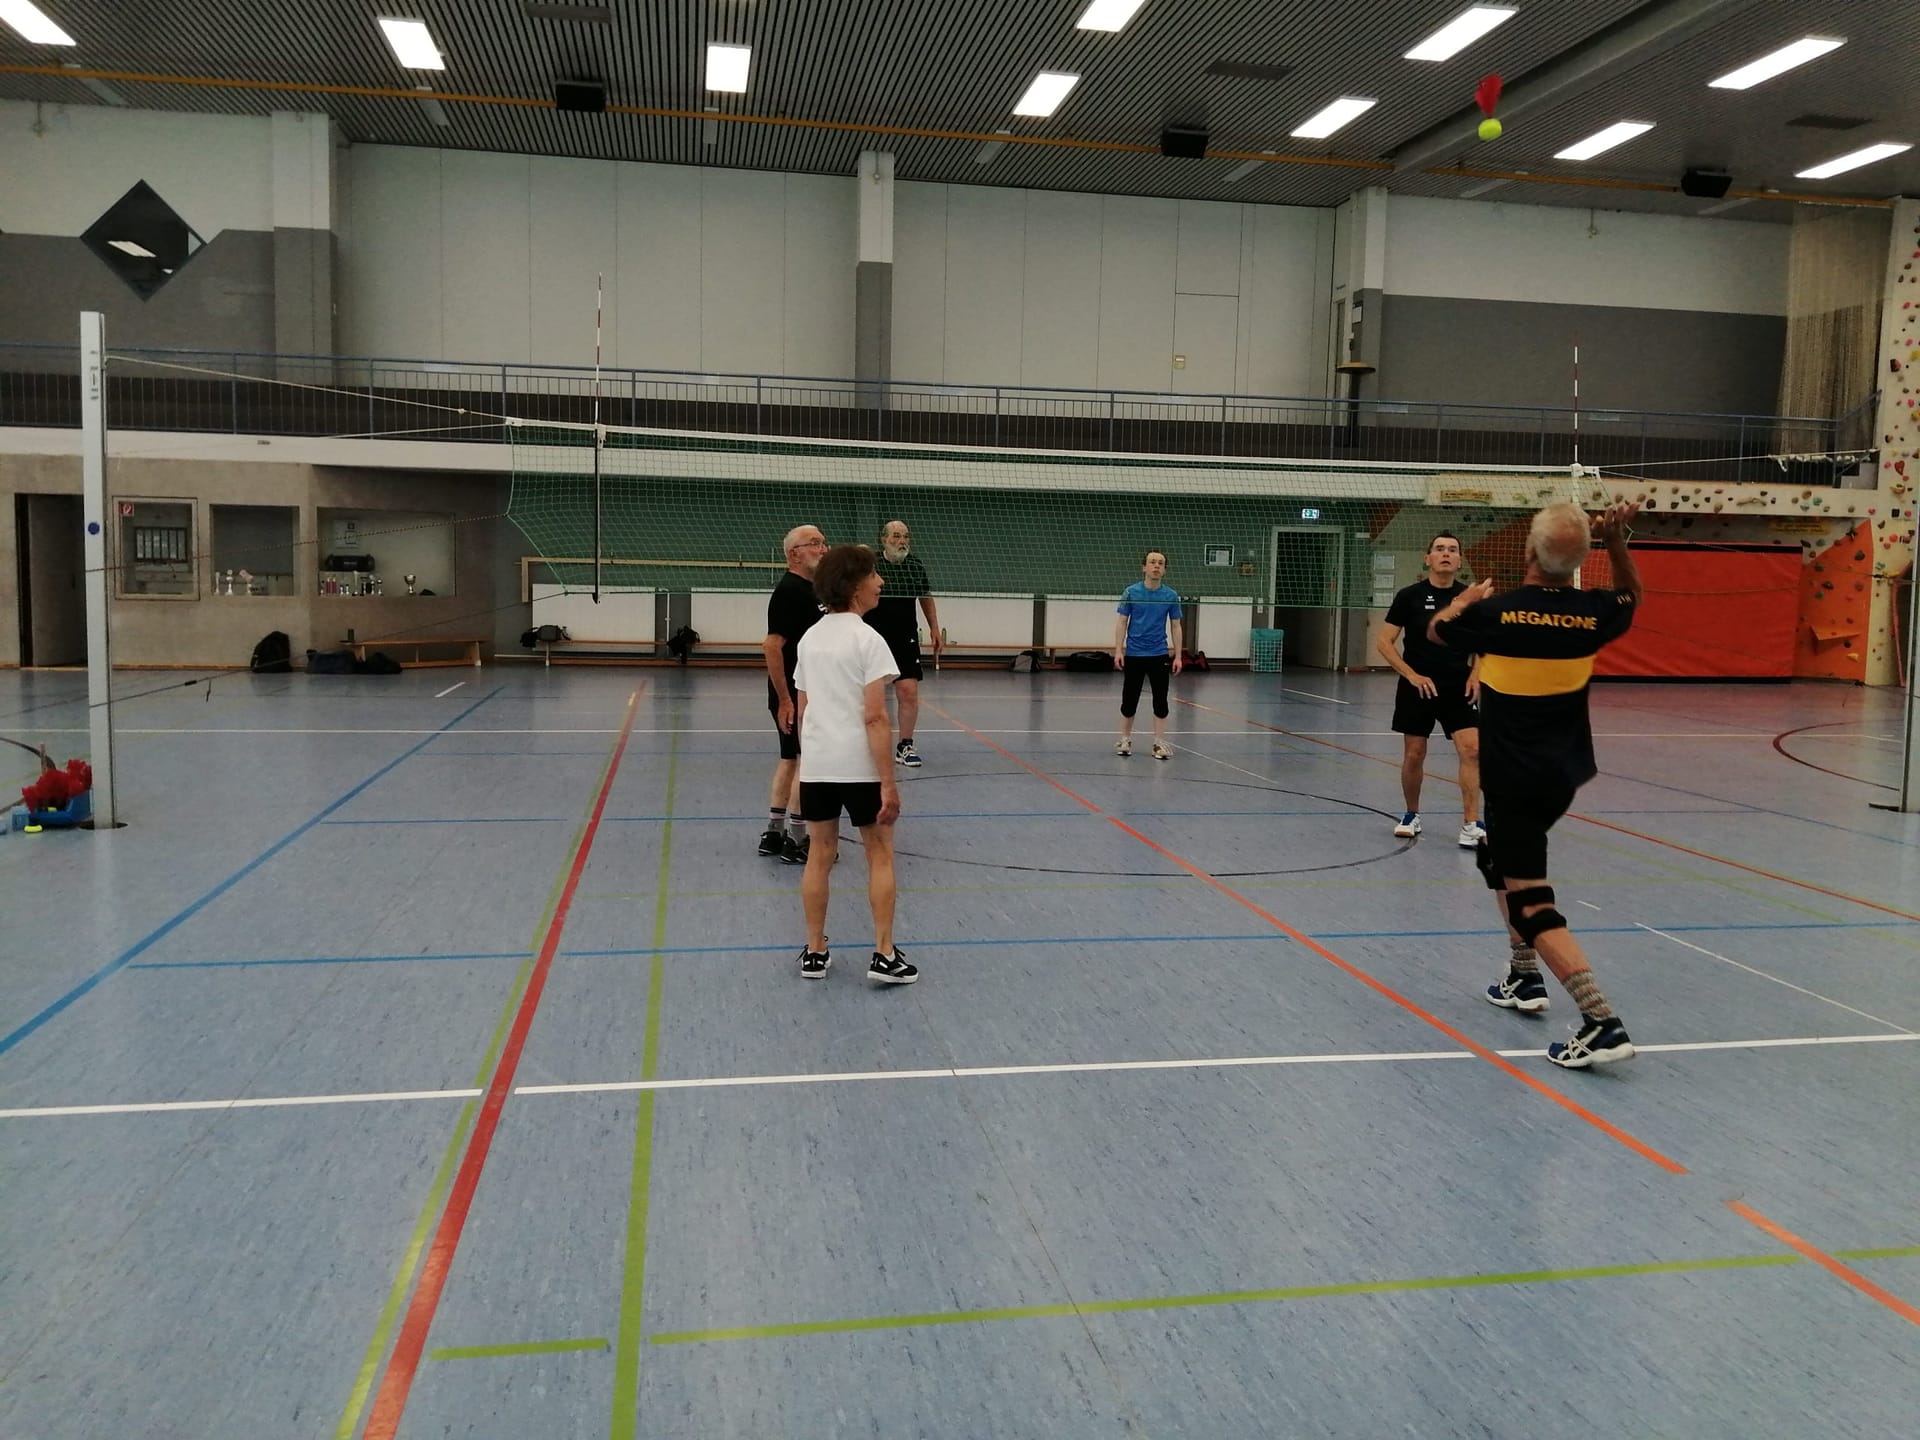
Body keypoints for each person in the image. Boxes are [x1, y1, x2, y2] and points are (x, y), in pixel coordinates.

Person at [1429, 499, 1643, 1070]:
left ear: (1529, 550)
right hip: (1561, 776)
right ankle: (1524, 976)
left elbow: (1437, 631)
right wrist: (1616, 542)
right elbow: (1631, 595)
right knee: (1495, 859)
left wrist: (1462, 602)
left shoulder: (1496, 614)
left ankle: (1601, 1021)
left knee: (1530, 903)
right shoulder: (1595, 612)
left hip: (1514, 780)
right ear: (1581, 560)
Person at [792, 544, 917, 985]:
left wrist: (812, 759)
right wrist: (888, 783)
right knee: (879, 854)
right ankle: (884, 954)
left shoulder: (809, 639)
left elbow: (804, 710)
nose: (881, 582)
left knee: (819, 855)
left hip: (818, 766)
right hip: (859, 766)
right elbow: (875, 716)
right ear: (854, 585)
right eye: (874, 576)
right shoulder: (868, 640)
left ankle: (814, 951)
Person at [1377, 533, 1485, 847]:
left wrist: (1476, 674)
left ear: (1460, 560)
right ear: (1428, 559)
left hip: (1458, 686)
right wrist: (1411, 675)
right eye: (1439, 549)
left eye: (1452, 550)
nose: (1446, 554)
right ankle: (1411, 814)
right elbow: (1384, 642)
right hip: (1418, 687)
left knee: (1472, 750)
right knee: (1414, 754)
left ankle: (1471, 824)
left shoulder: (1469, 597)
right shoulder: (1409, 596)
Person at [759, 524, 828, 865]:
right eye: (814, 543)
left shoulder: (812, 590)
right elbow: (772, 646)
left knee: (790, 758)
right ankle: (798, 838)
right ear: (794, 554)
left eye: (824, 542)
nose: (823, 549)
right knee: (805, 761)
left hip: (802, 691)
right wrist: (785, 700)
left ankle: (774, 833)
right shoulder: (790, 591)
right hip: (796, 693)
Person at [867, 520, 942, 768]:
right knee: (868, 695)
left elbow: (925, 596)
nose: (902, 541)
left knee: (908, 691)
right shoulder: (871, 564)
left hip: (905, 637)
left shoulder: (915, 566)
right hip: (873, 638)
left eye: (906, 536)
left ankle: (905, 745)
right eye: (896, 536)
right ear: (884, 539)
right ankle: (865, 744)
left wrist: (934, 627)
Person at [1111, 550, 1184, 760]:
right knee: (1129, 699)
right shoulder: (1131, 592)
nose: (1156, 566)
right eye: (1152, 562)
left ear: (1165, 569)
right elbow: (1122, 622)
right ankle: (1125, 740)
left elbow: (1176, 626)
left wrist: (1178, 656)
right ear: (1144, 567)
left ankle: (1159, 744)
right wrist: (1118, 650)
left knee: (1160, 700)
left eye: (1160, 563)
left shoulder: (1171, 596)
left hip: (1158, 654)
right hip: (1134, 654)